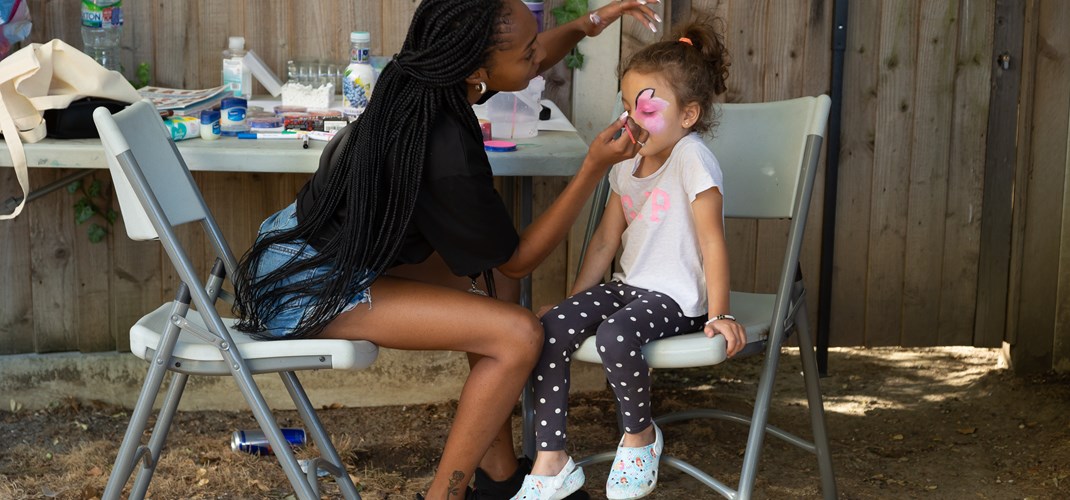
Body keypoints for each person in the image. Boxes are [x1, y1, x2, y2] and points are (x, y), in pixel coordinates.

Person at [231, 1, 662, 499]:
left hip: (305, 250)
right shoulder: (445, 147)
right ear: (479, 72)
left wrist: (593, 22)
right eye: (527, 55)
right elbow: (517, 256)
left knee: (497, 286)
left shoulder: (425, 77)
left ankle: (497, 477)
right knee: (518, 335)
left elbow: (536, 53)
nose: (538, 59)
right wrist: (593, 168)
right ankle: (446, 495)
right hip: (308, 284)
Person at [511, 19, 746, 500]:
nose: (631, 119)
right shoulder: (626, 165)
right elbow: (603, 242)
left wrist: (720, 312)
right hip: (629, 288)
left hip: (678, 298)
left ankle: (641, 436)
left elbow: (712, 243)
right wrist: (574, 307)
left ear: (688, 115)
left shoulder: (692, 157)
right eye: (625, 106)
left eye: (646, 108)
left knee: (616, 336)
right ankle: (552, 461)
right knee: (551, 327)